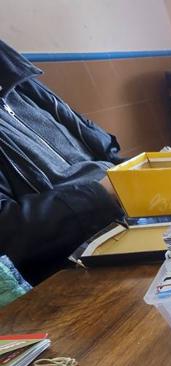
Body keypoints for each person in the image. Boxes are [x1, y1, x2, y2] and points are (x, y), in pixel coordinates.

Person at [0, 39, 125, 286]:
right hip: (69, 264)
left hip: (121, 221)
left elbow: (101, 149)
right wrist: (101, 195)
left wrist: (140, 174)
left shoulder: (19, 81)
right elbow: (6, 234)